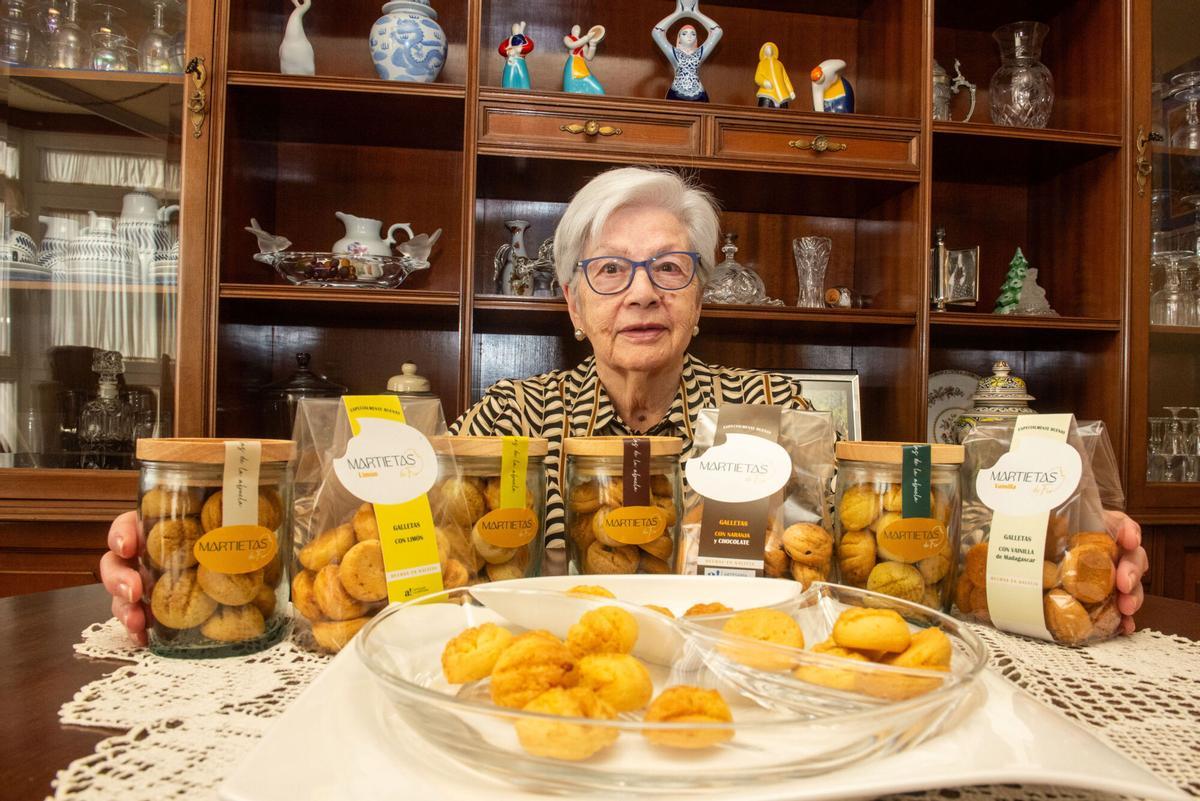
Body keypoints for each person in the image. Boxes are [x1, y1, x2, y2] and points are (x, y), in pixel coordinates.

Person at [100, 166, 1149, 644]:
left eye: (669, 269)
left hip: (749, 695)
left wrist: (1048, 531)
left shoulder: (779, 411)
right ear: (571, 303)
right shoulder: (503, 426)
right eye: (610, 270)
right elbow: (356, 538)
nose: (641, 291)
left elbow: (895, 551)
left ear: (701, 297)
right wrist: (198, 532)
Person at [652, 1, 722, 102]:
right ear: (678, 38)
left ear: (696, 38)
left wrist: (696, 13)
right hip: (675, 94)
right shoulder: (674, 53)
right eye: (684, 34)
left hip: (699, 95)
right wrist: (678, 13)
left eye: (693, 34)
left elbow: (717, 31)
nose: (689, 36)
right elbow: (657, 32)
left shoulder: (700, 53)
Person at [562, 24, 605, 95]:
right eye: (575, 28)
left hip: (582, 67)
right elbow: (572, 45)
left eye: (579, 29)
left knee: (598, 90)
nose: (577, 29)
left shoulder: (584, 44)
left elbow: (589, 57)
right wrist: (587, 38)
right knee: (570, 89)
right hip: (572, 67)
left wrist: (592, 45)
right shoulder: (568, 38)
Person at [754, 42, 795, 109]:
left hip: (782, 94)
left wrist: (791, 91)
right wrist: (764, 82)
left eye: (770, 48)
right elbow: (757, 77)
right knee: (765, 111)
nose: (769, 49)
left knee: (783, 113)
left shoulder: (779, 64)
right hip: (767, 93)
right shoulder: (762, 63)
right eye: (767, 48)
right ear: (764, 52)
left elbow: (785, 79)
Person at [499, 21, 533, 91]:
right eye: (514, 28)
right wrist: (508, 52)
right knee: (509, 79)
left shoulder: (523, 38)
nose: (515, 30)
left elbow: (530, 45)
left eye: (517, 28)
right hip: (510, 62)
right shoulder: (509, 40)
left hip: (520, 61)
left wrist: (519, 49)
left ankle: (525, 91)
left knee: (523, 78)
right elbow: (501, 49)